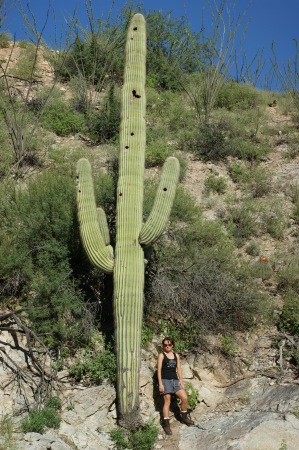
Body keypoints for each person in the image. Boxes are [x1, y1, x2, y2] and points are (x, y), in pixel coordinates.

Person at [157, 337, 194, 435]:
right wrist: (160, 383)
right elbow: (159, 370)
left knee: (185, 398)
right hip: (165, 380)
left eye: (169, 345)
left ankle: (184, 418)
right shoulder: (161, 355)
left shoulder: (175, 355)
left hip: (175, 380)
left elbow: (179, 369)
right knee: (167, 401)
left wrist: (181, 380)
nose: (167, 346)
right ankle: (166, 425)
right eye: (165, 345)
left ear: (172, 345)